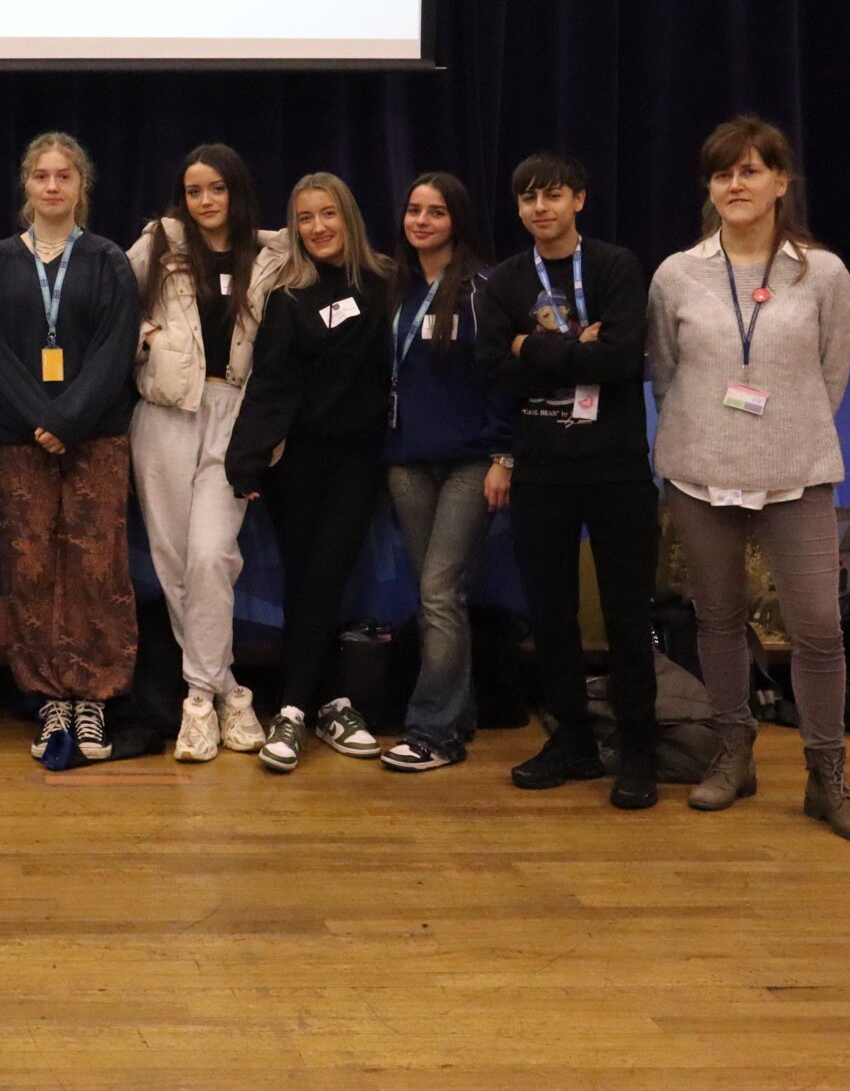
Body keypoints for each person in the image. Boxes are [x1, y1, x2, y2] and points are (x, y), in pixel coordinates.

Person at [648, 116, 850, 842]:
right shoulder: (676, 273)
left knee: (817, 627)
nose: (735, 185)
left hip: (796, 471)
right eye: (722, 173)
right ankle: (733, 751)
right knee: (716, 619)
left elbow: (831, 372)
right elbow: (664, 369)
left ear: (782, 182)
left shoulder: (825, 273)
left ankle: (826, 775)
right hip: (700, 469)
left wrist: (784, 429)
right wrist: (714, 430)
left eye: (750, 171)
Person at [475, 152, 659, 809]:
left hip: (617, 468)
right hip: (543, 471)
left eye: (551, 195)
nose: (538, 208)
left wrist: (535, 346)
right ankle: (571, 739)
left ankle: (638, 748)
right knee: (550, 614)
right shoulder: (501, 281)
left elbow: (618, 362)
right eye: (526, 198)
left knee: (626, 614)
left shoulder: (615, 266)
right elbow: (495, 369)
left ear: (579, 198)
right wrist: (570, 349)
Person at [0, 133, 140, 760]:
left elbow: (116, 349)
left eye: (65, 176)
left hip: (95, 438)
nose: (53, 186)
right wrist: (40, 417)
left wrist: (67, 417)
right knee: (32, 566)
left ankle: (92, 699)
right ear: (26, 186)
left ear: (80, 187)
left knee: (98, 566)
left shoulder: (107, 260)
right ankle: (49, 700)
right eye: (42, 176)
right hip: (20, 440)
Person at [223, 173, 393, 773]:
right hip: (297, 463)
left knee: (327, 573)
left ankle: (298, 706)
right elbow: (270, 385)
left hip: (359, 459)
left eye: (328, 215)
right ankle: (319, 704)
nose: (318, 228)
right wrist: (246, 459)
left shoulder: (387, 285)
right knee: (306, 577)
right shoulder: (288, 297)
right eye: (304, 218)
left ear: (349, 217)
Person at [124, 144, 287, 762]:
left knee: (211, 555)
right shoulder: (159, 246)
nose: (205, 202)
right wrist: (148, 343)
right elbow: (114, 305)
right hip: (165, 414)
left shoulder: (273, 256)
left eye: (216, 189)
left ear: (236, 191)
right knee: (172, 563)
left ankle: (200, 695)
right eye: (194, 191)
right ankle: (226, 695)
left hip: (234, 418)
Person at [378, 172, 513, 773]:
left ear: (457, 219)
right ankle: (458, 714)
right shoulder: (393, 287)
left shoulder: (485, 289)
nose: (421, 221)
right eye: (413, 210)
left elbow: (505, 380)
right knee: (438, 595)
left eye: (435, 212)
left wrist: (503, 457)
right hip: (406, 461)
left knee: (438, 592)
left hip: (469, 461)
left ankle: (432, 731)